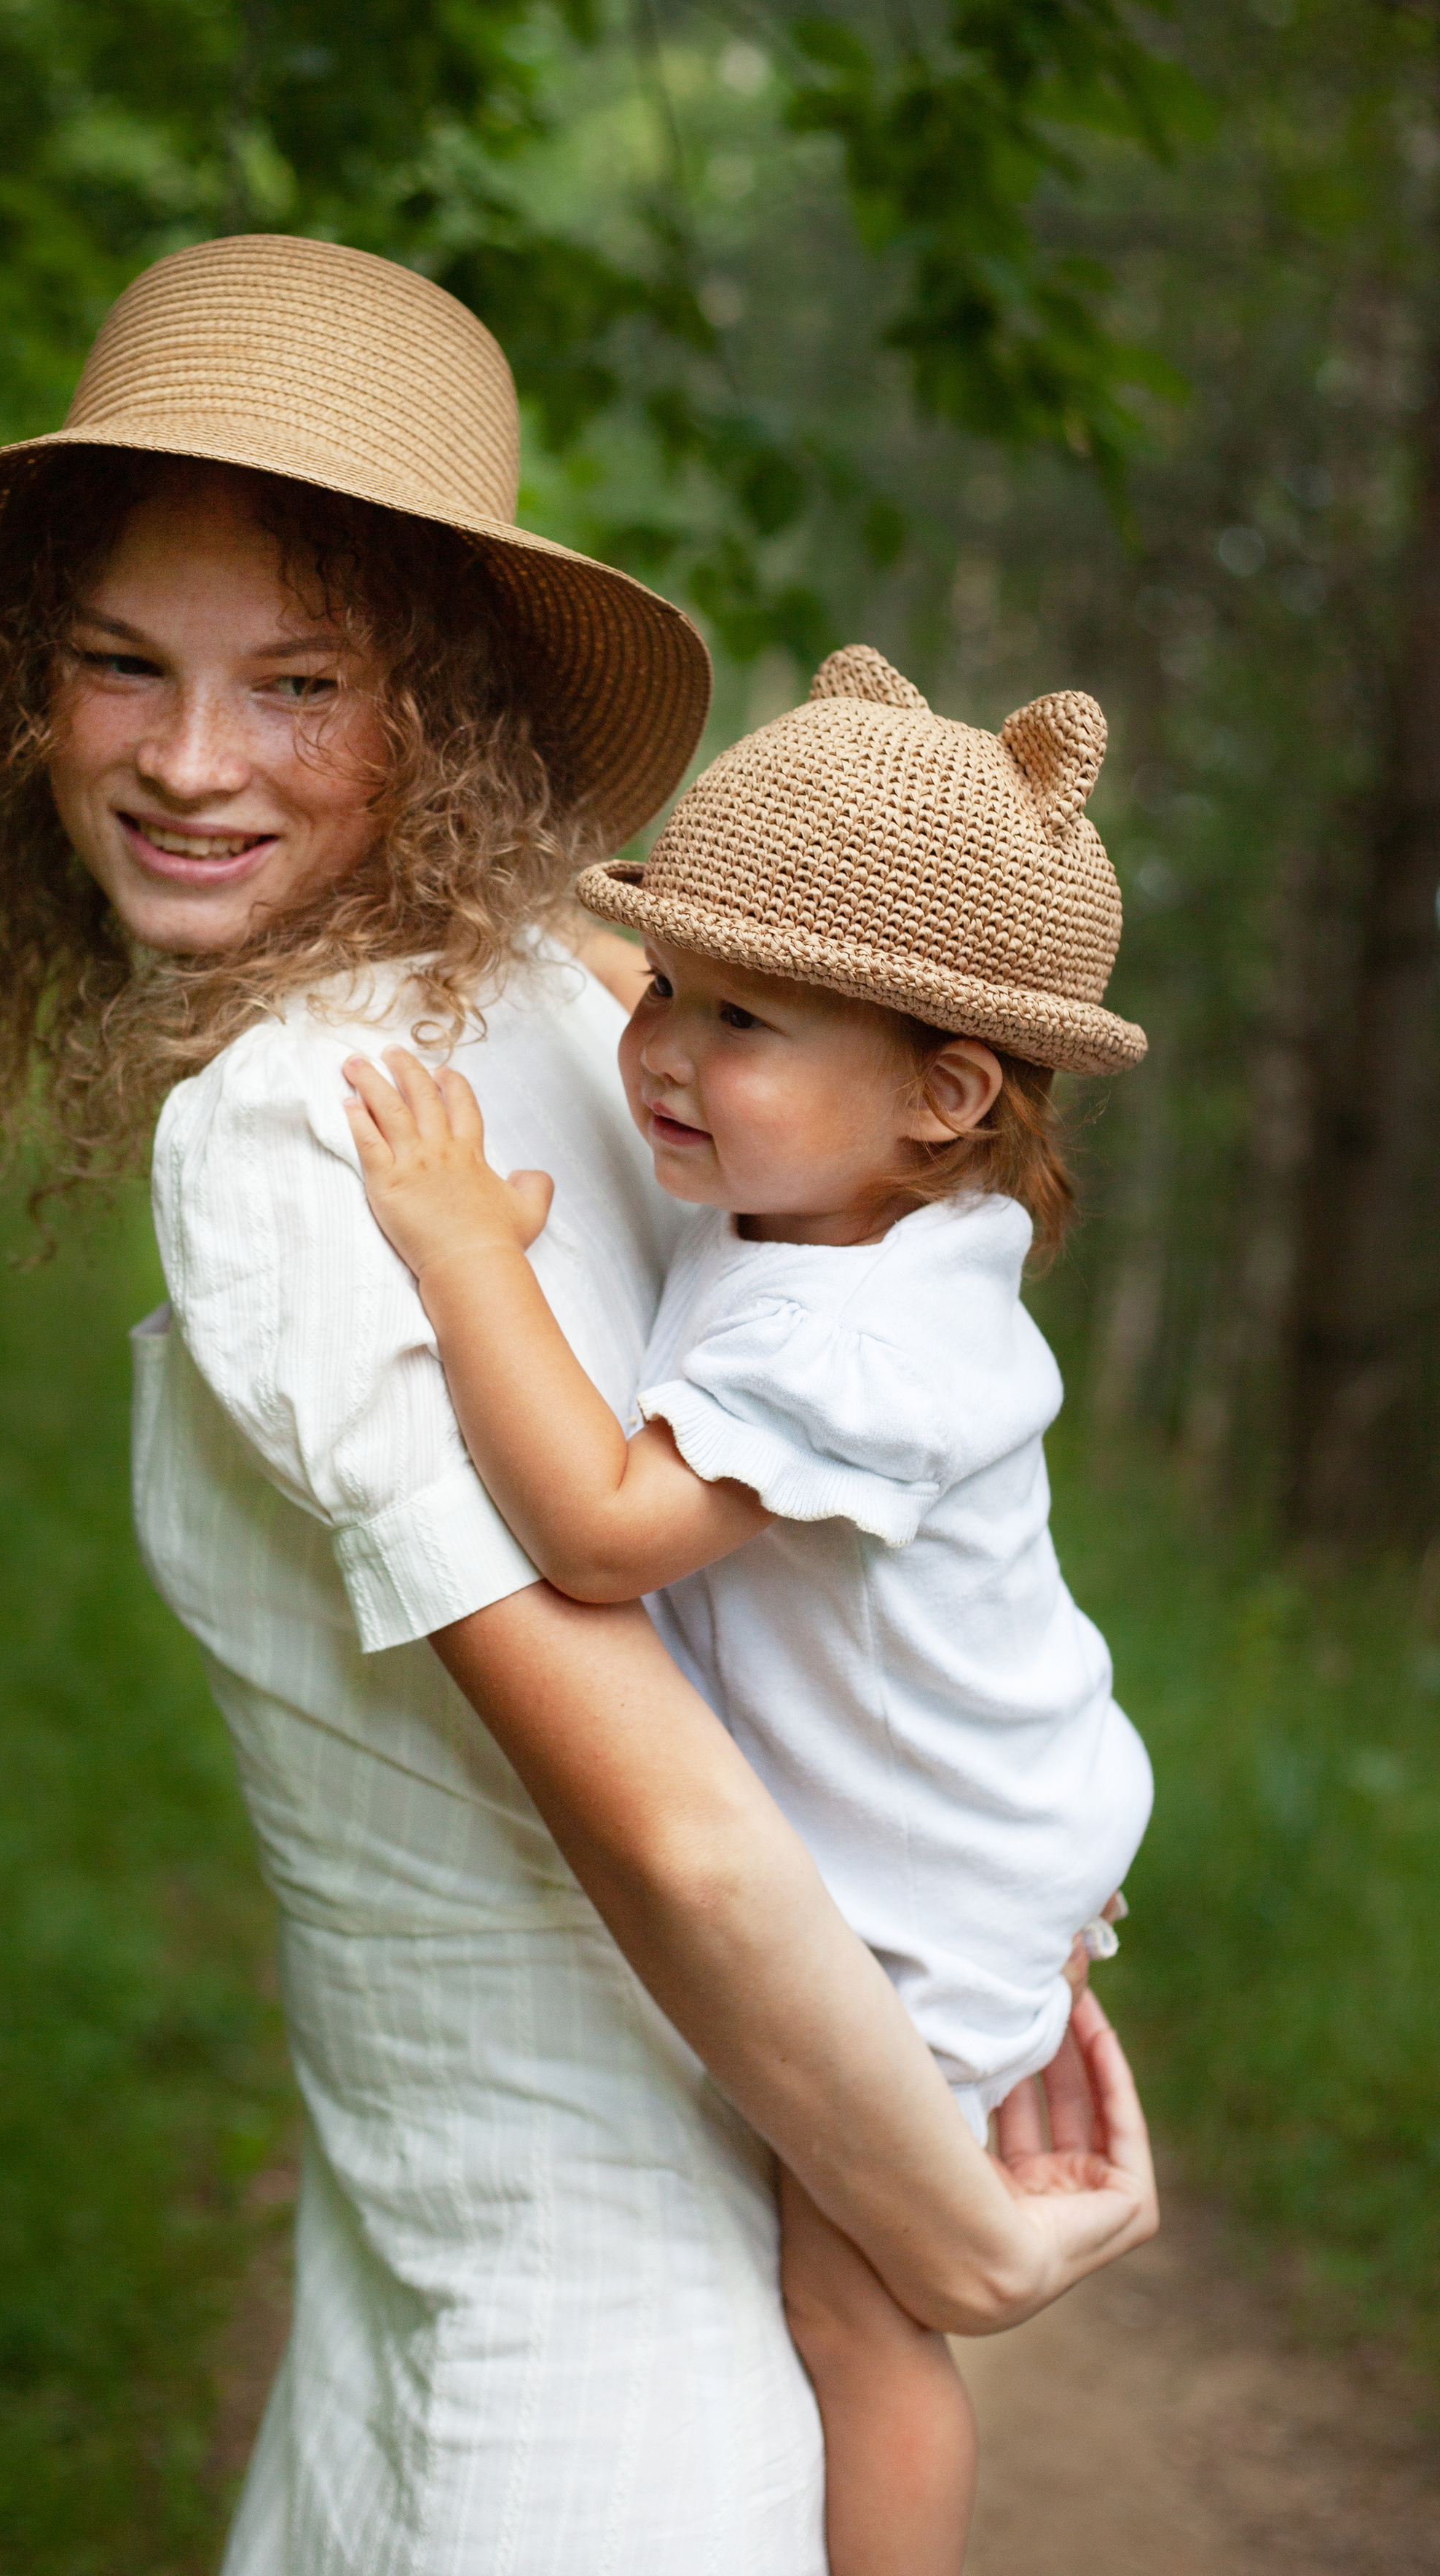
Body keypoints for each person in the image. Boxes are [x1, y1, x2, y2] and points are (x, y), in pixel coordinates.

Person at [0, 235, 1158, 2575]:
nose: (188, 762)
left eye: (295, 683)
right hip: (478, 2264)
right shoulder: (586, 981)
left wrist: (952, 2235)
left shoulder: (299, 1120)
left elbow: (677, 1817)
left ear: (433, 697)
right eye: (119, 664)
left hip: (577, 2366)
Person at [341, 645, 1154, 2576]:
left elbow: (608, 1535)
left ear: (948, 1090)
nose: (668, 1054)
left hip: (933, 1880)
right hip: (997, 1795)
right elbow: (647, 990)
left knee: (856, 2304)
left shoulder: (860, 1339)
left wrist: (465, 1258)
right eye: (668, 992)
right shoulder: (848, 1199)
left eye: (748, 1023)